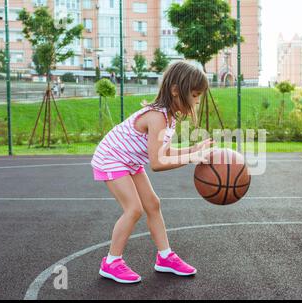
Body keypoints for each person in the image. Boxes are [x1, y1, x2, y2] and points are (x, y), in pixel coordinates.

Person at [91, 61, 214, 284]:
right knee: (134, 209)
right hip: (111, 158)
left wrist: (192, 149)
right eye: (195, 94)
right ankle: (111, 262)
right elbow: (157, 163)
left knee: (153, 205)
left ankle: (165, 257)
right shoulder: (157, 117)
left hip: (129, 161)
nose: (197, 101)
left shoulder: (170, 117)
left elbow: (162, 151)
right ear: (176, 90)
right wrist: (190, 158)